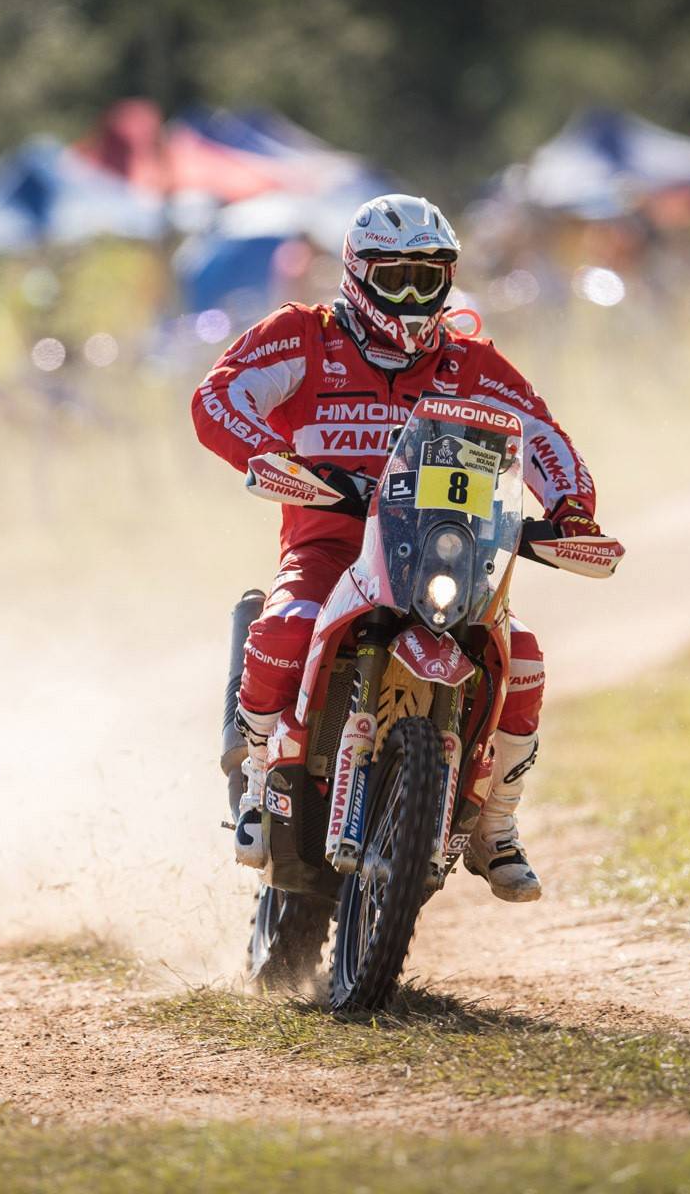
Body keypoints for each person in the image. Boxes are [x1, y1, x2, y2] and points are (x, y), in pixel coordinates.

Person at [190, 194, 624, 903]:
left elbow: (546, 441)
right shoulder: (304, 335)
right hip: (331, 546)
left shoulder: (474, 363)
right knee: (289, 622)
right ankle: (259, 774)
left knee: (527, 658)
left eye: (430, 278)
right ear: (358, 275)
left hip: (449, 557)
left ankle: (497, 828)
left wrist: (572, 511)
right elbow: (216, 399)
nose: (415, 296)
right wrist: (276, 458)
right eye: (397, 279)